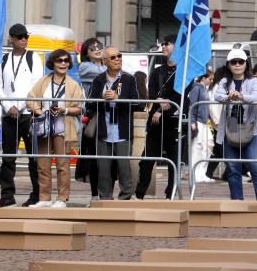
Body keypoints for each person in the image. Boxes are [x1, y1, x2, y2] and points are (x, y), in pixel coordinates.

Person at [26, 48, 84, 207]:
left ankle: (62, 198)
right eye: (59, 60)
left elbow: (79, 108)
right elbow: (30, 99)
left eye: (66, 61)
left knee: (62, 164)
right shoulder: (44, 81)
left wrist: (64, 110)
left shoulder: (73, 84)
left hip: (63, 126)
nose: (63, 63)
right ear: (53, 63)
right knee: (43, 163)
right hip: (44, 126)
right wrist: (39, 112)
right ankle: (44, 198)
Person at [0, 24, 41, 208]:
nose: (24, 40)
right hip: (9, 115)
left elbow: (36, 85)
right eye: (20, 37)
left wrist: (20, 106)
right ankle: (7, 194)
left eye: (25, 37)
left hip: (28, 114)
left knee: (33, 156)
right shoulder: (3, 60)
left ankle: (37, 194)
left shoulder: (33, 58)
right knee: (8, 157)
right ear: (11, 39)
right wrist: (8, 106)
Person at [88, 47, 143, 200]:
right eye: (113, 57)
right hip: (103, 129)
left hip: (122, 129)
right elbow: (88, 104)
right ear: (105, 61)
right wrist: (100, 97)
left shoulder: (129, 79)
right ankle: (105, 198)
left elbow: (138, 103)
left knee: (124, 167)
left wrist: (118, 97)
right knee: (103, 167)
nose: (117, 59)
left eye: (119, 55)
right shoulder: (98, 79)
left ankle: (125, 197)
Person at [212, 48, 257, 201]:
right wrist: (229, 97)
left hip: (251, 128)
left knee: (256, 167)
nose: (237, 65)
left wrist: (241, 96)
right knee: (233, 168)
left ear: (246, 64)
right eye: (233, 62)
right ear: (228, 65)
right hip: (230, 127)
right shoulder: (224, 81)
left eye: (240, 61)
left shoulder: (253, 80)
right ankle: (237, 202)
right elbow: (217, 95)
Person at [135, 35, 180, 199]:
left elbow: (180, 95)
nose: (164, 47)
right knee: (147, 159)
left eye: (167, 44)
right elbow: (152, 93)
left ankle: (171, 194)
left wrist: (162, 108)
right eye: (162, 44)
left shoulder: (183, 71)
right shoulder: (157, 71)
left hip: (173, 122)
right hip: (154, 122)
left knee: (173, 160)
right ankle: (139, 193)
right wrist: (158, 103)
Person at [76, 38, 108, 201]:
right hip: (95, 115)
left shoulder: (106, 66)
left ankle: (106, 192)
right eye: (92, 48)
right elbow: (106, 75)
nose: (97, 49)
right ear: (86, 53)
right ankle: (95, 193)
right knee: (95, 155)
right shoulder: (85, 67)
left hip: (110, 115)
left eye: (99, 46)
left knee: (110, 155)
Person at [188, 70, 215, 183]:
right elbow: (192, 105)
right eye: (210, 78)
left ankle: (202, 172)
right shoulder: (197, 88)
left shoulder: (203, 89)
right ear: (203, 78)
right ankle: (196, 173)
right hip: (199, 121)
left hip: (203, 121)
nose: (211, 81)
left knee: (207, 146)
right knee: (197, 148)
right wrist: (192, 121)